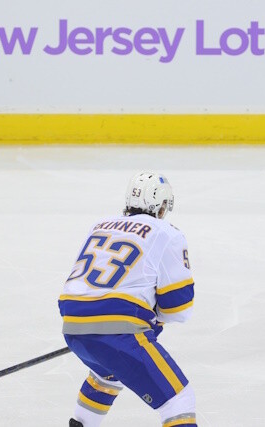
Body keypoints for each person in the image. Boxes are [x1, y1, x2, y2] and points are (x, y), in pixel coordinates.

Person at [58, 172, 197, 427]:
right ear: (161, 205)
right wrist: (151, 318)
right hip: (120, 331)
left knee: (106, 375)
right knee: (178, 402)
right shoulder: (167, 233)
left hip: (72, 323)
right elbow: (179, 308)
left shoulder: (100, 225)